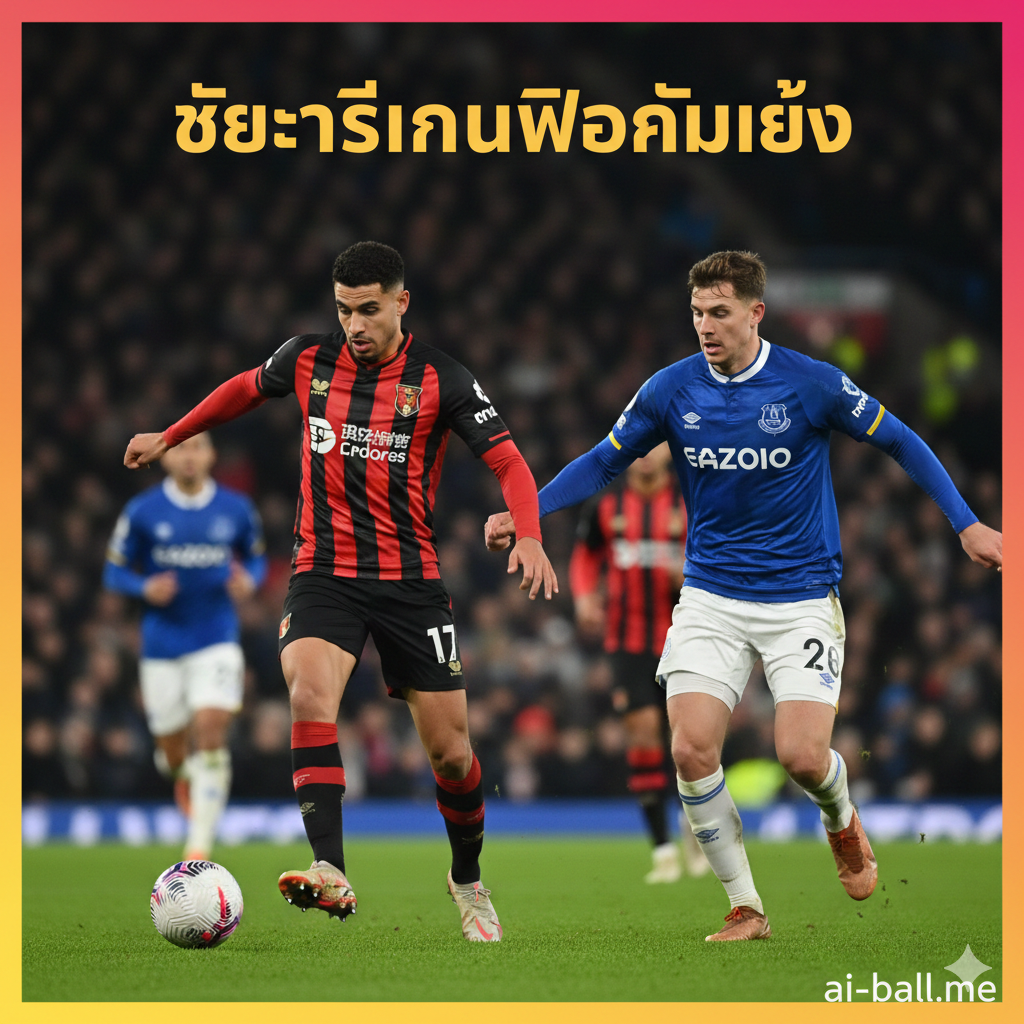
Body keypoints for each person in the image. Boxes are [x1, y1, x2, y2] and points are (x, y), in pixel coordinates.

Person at [487, 250, 1002, 941]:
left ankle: (840, 816)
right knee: (691, 749)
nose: (706, 325)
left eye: (720, 312)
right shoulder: (671, 390)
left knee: (801, 758)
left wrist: (965, 523)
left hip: (799, 600)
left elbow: (901, 440)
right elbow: (604, 460)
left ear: (755, 313)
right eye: (698, 312)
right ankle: (746, 907)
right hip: (710, 597)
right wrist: (528, 517)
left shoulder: (810, 384)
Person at [123, 241, 558, 942]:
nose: (354, 325)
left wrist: (530, 534)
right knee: (307, 691)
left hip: (412, 583)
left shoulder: (442, 379)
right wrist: (172, 435)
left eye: (369, 309)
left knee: (452, 755)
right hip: (324, 572)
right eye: (344, 310)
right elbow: (240, 389)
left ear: (400, 302)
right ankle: (330, 867)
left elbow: (507, 459)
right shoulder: (305, 360)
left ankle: (467, 877)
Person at [104, 431, 267, 860]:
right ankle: (179, 770)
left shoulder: (236, 509)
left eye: (197, 447)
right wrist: (144, 586)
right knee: (172, 752)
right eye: (179, 449)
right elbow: (113, 571)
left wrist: (248, 578)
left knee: (211, 728)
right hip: (162, 644)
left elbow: (255, 557)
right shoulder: (143, 512)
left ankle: (198, 848)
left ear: (211, 455)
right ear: (164, 458)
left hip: (216, 637)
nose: (189, 456)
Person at [570, 443, 709, 882]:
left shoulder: (692, 499)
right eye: (640, 446)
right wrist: (584, 596)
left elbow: (721, 552)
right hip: (627, 640)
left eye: (656, 445)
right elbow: (586, 556)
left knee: (691, 742)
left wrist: (690, 572)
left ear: (671, 450)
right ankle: (663, 850)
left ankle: (696, 829)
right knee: (643, 733)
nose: (646, 454)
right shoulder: (606, 506)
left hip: (687, 636)